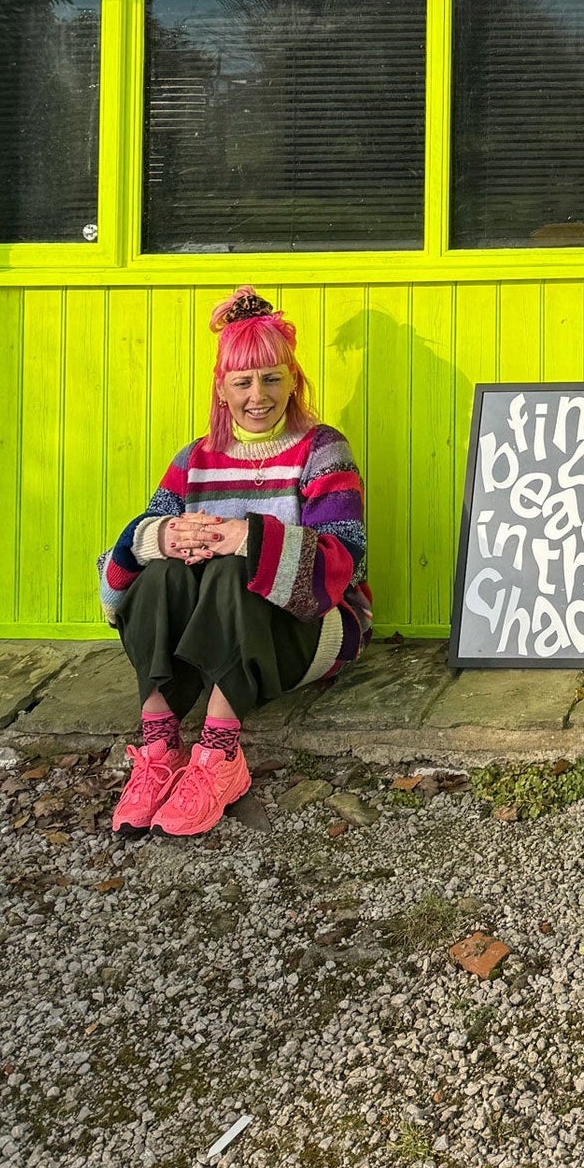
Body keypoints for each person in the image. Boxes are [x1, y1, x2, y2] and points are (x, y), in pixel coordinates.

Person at [98, 288, 371, 837]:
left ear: (293, 380)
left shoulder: (322, 450)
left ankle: (221, 754)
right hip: (214, 641)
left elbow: (350, 565)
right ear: (222, 390)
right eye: (243, 382)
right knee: (163, 570)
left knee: (230, 565)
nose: (258, 395)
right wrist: (157, 538)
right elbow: (113, 589)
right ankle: (160, 749)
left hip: (310, 632)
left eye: (272, 378)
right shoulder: (193, 459)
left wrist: (248, 538)